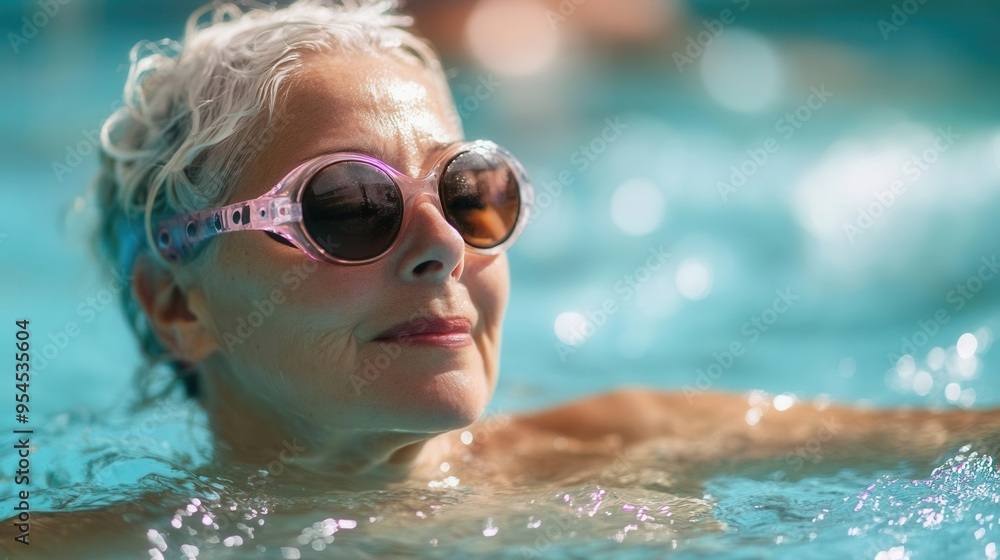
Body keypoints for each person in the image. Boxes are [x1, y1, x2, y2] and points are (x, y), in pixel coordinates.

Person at [7, 0, 998, 556]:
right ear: (181, 306)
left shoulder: (638, 449)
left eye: (470, 189)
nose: (442, 243)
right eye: (347, 207)